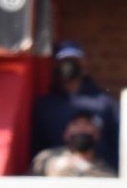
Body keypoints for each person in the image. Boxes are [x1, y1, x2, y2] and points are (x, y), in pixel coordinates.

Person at [32, 41, 120, 170]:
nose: (68, 65)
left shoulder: (104, 103)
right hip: (57, 174)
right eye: (63, 61)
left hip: (97, 174)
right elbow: (36, 146)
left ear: (84, 64)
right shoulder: (45, 106)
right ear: (55, 65)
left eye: (74, 60)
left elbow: (116, 142)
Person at [30, 110, 116, 177]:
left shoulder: (106, 172)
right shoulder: (45, 159)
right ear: (66, 134)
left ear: (97, 134)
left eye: (87, 123)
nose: (81, 128)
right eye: (75, 124)